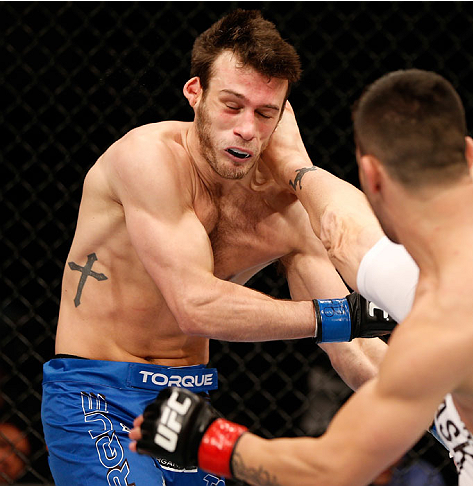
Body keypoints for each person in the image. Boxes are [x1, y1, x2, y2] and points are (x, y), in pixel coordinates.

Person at [130, 72, 473, 485]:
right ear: (469, 154)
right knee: (353, 244)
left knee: (386, 361)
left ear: (370, 174)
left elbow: (332, 468)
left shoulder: (440, 338)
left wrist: (211, 442)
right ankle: (297, 165)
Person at [41, 9, 392, 486]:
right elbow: (195, 304)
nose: (247, 128)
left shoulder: (283, 209)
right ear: (195, 93)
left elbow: (353, 349)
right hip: (97, 394)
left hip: (186, 407)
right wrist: (335, 314)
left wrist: (451, 414)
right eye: (232, 105)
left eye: (265, 113)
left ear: (283, 118)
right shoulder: (147, 159)